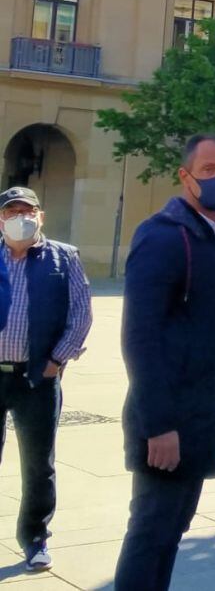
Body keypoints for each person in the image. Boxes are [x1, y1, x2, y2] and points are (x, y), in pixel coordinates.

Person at [114, 134, 215, 591]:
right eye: (208, 170)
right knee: (151, 533)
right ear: (185, 177)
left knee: (170, 534)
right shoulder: (164, 236)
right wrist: (159, 425)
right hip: (165, 424)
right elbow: (139, 338)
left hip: (200, 417)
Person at [0, 185, 89, 573]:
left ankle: (35, 537)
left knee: (38, 464)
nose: (19, 218)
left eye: (27, 210)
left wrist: (57, 359)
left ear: (41, 215)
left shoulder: (63, 258)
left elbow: (81, 314)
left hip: (37, 377)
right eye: (11, 211)